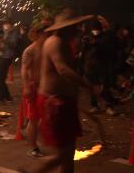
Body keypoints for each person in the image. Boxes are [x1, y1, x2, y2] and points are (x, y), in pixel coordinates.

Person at [35, 10, 95, 173]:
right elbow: (62, 69)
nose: (79, 29)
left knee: (66, 155)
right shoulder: (55, 42)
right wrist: (87, 86)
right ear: (67, 27)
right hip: (55, 103)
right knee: (64, 155)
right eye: (76, 26)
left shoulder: (62, 42)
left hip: (62, 102)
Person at [21, 19, 53, 158]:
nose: (49, 35)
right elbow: (24, 70)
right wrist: (27, 86)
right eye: (47, 33)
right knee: (34, 119)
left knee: (46, 117)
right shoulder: (30, 50)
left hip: (47, 88)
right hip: (34, 88)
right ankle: (32, 147)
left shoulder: (49, 48)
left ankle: (36, 138)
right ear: (39, 34)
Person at [0, 18, 18, 104]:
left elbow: (13, 44)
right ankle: (7, 97)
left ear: (10, 24)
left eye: (7, 23)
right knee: (0, 78)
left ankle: (0, 99)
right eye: (4, 24)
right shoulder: (4, 32)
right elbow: (3, 45)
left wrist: (3, 40)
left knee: (0, 78)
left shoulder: (14, 32)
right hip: (1, 55)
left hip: (7, 57)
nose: (5, 25)